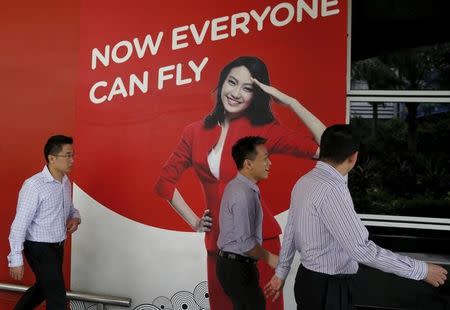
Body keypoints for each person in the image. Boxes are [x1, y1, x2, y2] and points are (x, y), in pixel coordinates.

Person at [155, 56, 325, 309]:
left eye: (247, 88)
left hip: (259, 246)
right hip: (218, 247)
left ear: (256, 95)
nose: (235, 93)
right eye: (231, 82)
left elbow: (328, 148)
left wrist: (291, 102)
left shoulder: (265, 129)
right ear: (222, 82)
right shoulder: (194, 131)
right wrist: (195, 221)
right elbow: (164, 182)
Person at [264, 124, 448, 310]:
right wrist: (421, 270)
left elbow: (290, 233)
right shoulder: (332, 190)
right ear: (354, 157)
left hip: (307, 282)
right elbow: (361, 250)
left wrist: (281, 272)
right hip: (329, 289)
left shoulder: (304, 182)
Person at [8, 135, 81, 310]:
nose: (72, 160)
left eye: (73, 155)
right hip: (39, 247)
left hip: (57, 245)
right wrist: (15, 258)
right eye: (68, 155)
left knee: (43, 288)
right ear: (52, 158)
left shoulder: (65, 182)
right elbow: (19, 223)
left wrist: (76, 218)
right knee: (57, 299)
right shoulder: (34, 185)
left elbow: (70, 209)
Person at [216, 136, 278, 310]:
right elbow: (246, 244)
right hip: (237, 268)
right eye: (265, 158)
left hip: (235, 266)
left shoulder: (238, 187)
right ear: (248, 164)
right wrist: (272, 258)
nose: (270, 163)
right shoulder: (243, 194)